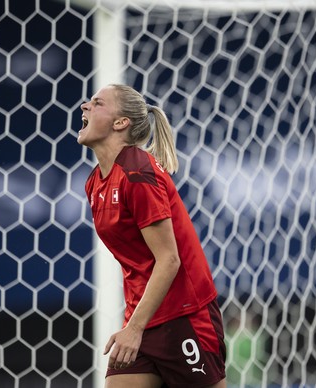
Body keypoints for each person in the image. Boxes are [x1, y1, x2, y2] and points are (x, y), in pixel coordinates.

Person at [78, 84, 226, 388]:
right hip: (142, 320)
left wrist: (134, 328)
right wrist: (135, 326)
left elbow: (169, 260)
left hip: (184, 315)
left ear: (121, 123)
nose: (85, 106)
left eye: (97, 103)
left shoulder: (138, 171)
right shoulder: (95, 184)